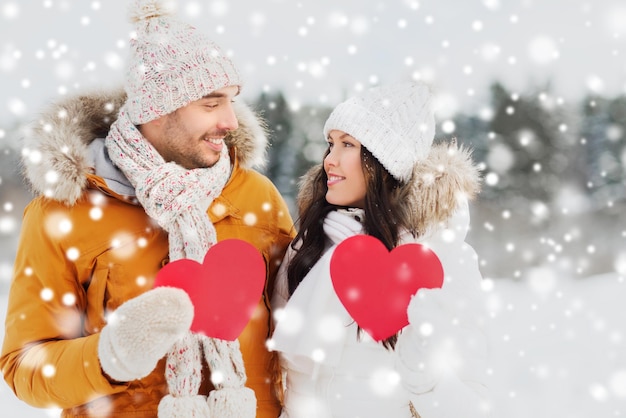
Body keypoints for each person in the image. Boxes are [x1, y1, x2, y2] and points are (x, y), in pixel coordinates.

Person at [0, 1, 294, 417]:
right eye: (211, 104)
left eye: (231, 100)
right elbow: (23, 367)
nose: (230, 121)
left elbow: (301, 328)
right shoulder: (61, 214)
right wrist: (109, 356)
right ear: (155, 112)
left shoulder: (254, 195)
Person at [270, 81, 491, 417]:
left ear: (386, 163)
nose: (330, 159)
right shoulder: (308, 246)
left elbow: (471, 406)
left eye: (348, 145)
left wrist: (424, 374)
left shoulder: (441, 259)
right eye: (330, 144)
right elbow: (281, 380)